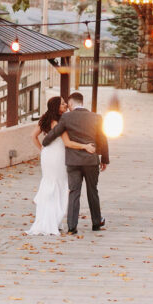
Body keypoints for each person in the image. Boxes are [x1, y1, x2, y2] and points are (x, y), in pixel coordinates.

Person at [40, 91, 110, 235]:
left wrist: (45, 142)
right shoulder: (96, 117)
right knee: (92, 191)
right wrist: (104, 159)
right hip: (90, 161)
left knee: (74, 192)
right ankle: (96, 222)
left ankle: (72, 227)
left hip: (73, 161)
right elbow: (103, 138)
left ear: (71, 103)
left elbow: (54, 133)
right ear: (82, 102)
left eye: (68, 104)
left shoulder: (66, 117)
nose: (67, 106)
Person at [27, 96, 97, 236]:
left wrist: (42, 150)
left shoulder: (45, 119)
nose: (66, 105)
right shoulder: (59, 123)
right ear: (56, 107)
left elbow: (33, 136)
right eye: (63, 103)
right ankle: (52, 221)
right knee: (58, 186)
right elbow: (67, 143)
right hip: (57, 156)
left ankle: (50, 220)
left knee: (49, 184)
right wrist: (85, 146)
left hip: (47, 155)